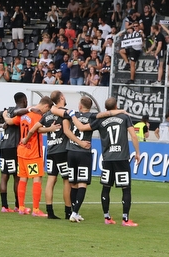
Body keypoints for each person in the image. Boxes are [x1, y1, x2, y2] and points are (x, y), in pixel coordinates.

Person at [68, 98, 140, 226]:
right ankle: (125, 219)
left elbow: (83, 128)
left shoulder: (100, 120)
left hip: (107, 158)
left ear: (106, 108)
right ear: (116, 105)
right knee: (125, 188)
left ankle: (107, 217)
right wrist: (137, 152)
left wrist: (73, 116)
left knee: (106, 187)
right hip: (121, 157)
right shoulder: (124, 117)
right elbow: (133, 135)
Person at [52, 96, 99, 223]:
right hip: (84, 152)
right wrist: (82, 143)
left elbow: (66, 130)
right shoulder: (93, 117)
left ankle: (74, 212)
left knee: (73, 183)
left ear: (80, 106)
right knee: (82, 183)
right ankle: (74, 212)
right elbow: (85, 128)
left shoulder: (72, 114)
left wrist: (69, 113)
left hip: (71, 152)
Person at [17, 96, 60, 216]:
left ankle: (21, 207)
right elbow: (37, 129)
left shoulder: (25, 113)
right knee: (37, 179)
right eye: (47, 110)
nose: (46, 113)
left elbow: (12, 121)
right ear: (46, 106)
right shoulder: (38, 115)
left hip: (21, 151)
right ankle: (36, 209)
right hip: (33, 153)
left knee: (23, 178)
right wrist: (50, 128)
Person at [43, 91, 72, 220]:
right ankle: (68, 212)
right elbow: (67, 131)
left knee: (51, 180)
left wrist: (48, 129)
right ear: (61, 97)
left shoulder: (47, 114)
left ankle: (49, 211)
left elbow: (37, 128)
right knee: (67, 180)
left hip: (50, 150)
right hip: (62, 150)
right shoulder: (64, 113)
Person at [0, 93, 28, 212]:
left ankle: (4, 206)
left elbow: (2, 121)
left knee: (4, 176)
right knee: (17, 177)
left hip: (3, 145)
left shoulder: (7, 110)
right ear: (24, 100)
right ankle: (18, 205)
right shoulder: (22, 112)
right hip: (14, 146)